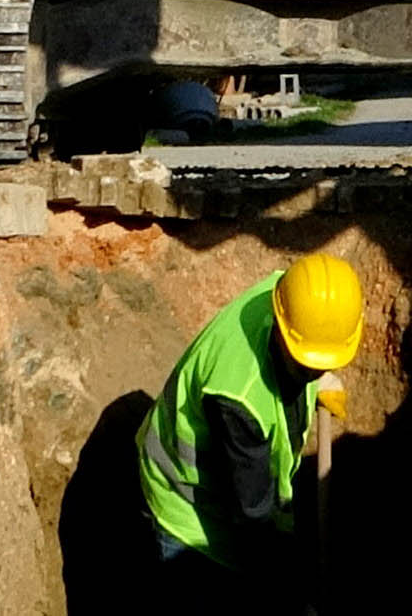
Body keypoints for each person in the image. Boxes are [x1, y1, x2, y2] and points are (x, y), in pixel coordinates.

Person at [137, 252, 361, 606]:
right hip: (187, 508)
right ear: (281, 331)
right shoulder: (237, 398)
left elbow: (311, 343)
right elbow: (253, 515)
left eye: (325, 363)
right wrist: (286, 593)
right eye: (307, 365)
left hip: (234, 492)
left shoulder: (290, 295)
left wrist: (319, 377)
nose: (313, 372)